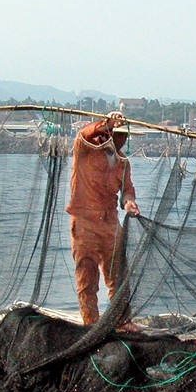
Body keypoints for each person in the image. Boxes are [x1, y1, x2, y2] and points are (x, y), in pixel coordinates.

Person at [66, 111, 140, 326]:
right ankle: (91, 323)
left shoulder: (123, 162)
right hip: (84, 221)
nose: (121, 140)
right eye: (117, 135)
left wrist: (129, 202)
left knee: (118, 275)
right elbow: (83, 134)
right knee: (87, 276)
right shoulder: (86, 150)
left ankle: (122, 320)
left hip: (110, 223)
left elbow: (127, 190)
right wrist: (107, 122)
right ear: (107, 134)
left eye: (123, 136)